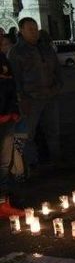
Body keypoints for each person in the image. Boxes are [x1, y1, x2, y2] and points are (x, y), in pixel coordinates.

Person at [8, 17, 63, 169]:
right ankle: (30, 164)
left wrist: (57, 87)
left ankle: (55, 159)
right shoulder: (16, 52)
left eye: (35, 28)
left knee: (53, 131)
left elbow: (57, 70)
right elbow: (16, 78)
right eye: (30, 29)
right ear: (21, 31)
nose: (34, 32)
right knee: (29, 134)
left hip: (50, 96)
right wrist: (22, 97)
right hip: (30, 99)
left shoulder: (46, 48)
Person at [0, 43, 22, 216]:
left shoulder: (3, 58)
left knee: (5, 162)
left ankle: (4, 200)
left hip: (7, 117)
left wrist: (14, 110)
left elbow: (11, 86)